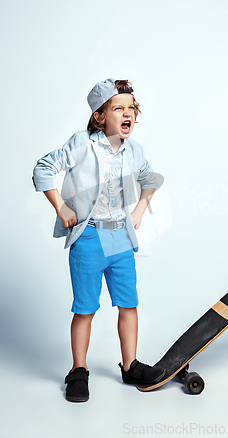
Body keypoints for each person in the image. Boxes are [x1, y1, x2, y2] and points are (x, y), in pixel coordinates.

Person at [32, 78, 165, 402]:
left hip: (120, 234)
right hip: (89, 236)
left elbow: (151, 178)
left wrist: (139, 210)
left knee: (129, 304)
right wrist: (61, 206)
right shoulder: (82, 143)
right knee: (86, 308)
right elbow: (44, 168)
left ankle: (130, 366)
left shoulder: (135, 149)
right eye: (118, 108)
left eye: (131, 108)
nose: (127, 113)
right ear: (99, 116)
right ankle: (79, 371)